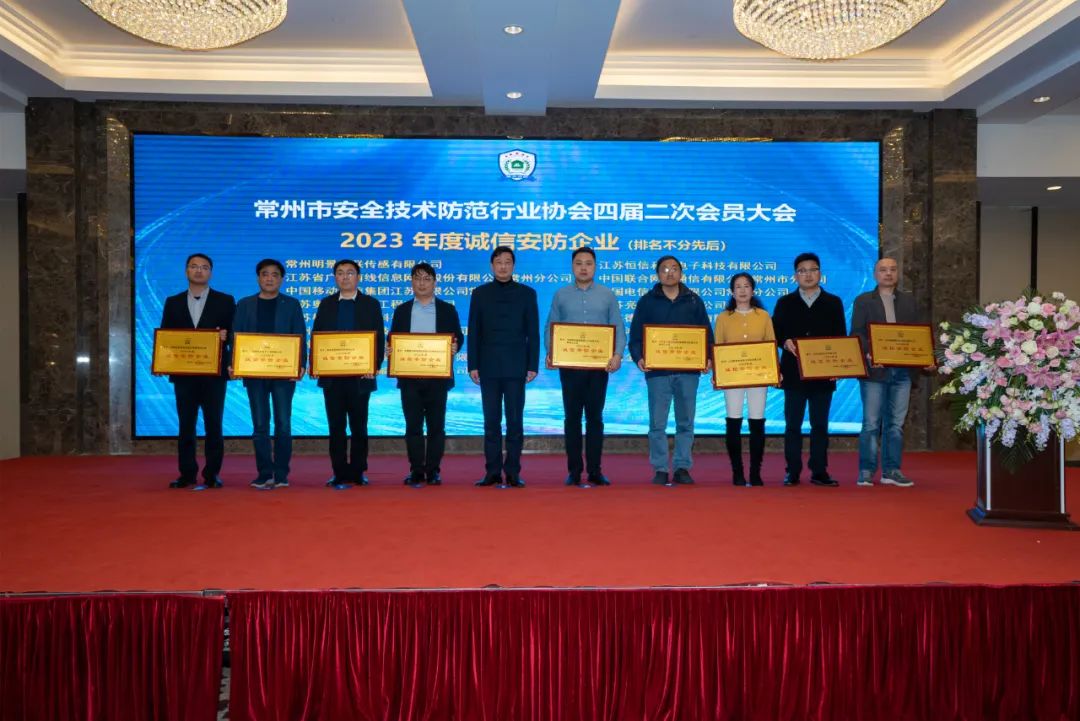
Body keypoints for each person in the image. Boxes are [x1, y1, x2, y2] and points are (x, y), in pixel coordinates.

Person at [628, 255, 714, 486]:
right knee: (657, 424)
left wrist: (708, 357)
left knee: (685, 422)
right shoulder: (647, 301)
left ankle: (682, 467)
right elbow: (635, 336)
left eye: (674, 268)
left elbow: (707, 334)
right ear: (658, 274)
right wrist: (639, 358)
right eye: (665, 269)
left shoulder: (693, 300)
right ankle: (660, 468)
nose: (670, 272)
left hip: (688, 373)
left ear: (681, 273)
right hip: (657, 373)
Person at [544, 247, 626, 487]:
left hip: (598, 368)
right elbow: (551, 327)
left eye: (588, 263)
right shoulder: (561, 295)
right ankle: (574, 470)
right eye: (579, 263)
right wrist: (552, 352)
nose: (583, 267)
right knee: (572, 419)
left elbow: (618, 327)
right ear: (572, 267)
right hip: (570, 368)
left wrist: (617, 355)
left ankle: (594, 470)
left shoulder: (607, 295)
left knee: (595, 419)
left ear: (595, 267)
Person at [851, 257, 930, 488]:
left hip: (903, 372)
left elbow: (918, 335)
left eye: (893, 269)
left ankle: (892, 470)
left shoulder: (909, 302)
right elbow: (857, 333)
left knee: (895, 424)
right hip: (874, 372)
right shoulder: (863, 300)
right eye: (883, 270)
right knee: (871, 424)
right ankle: (866, 471)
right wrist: (870, 352)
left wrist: (926, 358)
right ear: (875, 274)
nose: (888, 273)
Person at [160, 253, 235, 490]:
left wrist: (225, 337)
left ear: (210, 272)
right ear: (186, 271)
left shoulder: (225, 300)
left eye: (204, 267)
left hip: (214, 375)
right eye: (194, 266)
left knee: (214, 425)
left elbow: (234, 336)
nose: (199, 270)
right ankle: (187, 474)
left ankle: (212, 474)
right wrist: (162, 363)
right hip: (184, 375)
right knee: (186, 426)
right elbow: (166, 338)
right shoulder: (173, 302)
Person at [771, 252, 847, 487]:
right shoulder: (785, 302)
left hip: (823, 373)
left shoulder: (833, 302)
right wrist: (784, 342)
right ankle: (792, 471)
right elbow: (776, 332)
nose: (808, 275)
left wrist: (837, 366)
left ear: (820, 273)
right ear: (795, 276)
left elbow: (840, 337)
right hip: (793, 373)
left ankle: (819, 471)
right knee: (792, 425)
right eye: (802, 271)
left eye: (812, 270)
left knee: (820, 425)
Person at [230, 258, 307, 490]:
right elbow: (236, 336)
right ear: (258, 278)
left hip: (284, 374)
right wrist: (234, 363)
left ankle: (281, 474)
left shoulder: (291, 304)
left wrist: (300, 364)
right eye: (265, 274)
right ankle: (264, 473)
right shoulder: (244, 304)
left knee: (283, 424)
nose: (270, 278)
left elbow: (300, 335)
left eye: (275, 274)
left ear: (281, 279)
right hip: (254, 374)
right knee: (260, 425)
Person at [468, 246, 540, 488]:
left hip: (516, 367)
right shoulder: (479, 293)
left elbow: (533, 333)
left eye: (507, 262)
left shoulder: (527, 294)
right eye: (498, 262)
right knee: (491, 422)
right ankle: (492, 472)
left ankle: (513, 472)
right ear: (492, 266)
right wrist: (473, 364)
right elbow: (474, 331)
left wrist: (532, 365)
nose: (503, 266)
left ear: (513, 266)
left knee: (515, 422)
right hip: (488, 367)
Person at [311, 259, 385, 490]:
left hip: (361, 377)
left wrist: (373, 366)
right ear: (335, 278)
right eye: (340, 273)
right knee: (336, 427)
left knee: (359, 426)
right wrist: (315, 365)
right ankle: (339, 472)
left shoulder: (370, 304)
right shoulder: (326, 304)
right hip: (332, 378)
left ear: (358, 277)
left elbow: (379, 339)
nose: (345, 277)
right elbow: (317, 337)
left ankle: (358, 471)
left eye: (350, 273)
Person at [389, 262, 464, 487]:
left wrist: (455, 346)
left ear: (434, 283)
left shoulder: (447, 309)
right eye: (417, 278)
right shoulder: (402, 310)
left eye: (427, 279)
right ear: (411, 282)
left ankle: (432, 470)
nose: (422, 283)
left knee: (436, 427)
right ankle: (416, 470)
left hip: (437, 379)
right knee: (412, 426)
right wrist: (390, 348)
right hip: (409, 379)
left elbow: (458, 337)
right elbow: (392, 338)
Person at [714, 272, 776, 486]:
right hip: (732, 377)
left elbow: (771, 344)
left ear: (753, 290)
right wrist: (718, 374)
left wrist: (774, 370)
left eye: (746, 286)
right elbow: (718, 347)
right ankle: (737, 472)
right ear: (732, 291)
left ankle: (755, 472)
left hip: (758, 377)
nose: (742, 290)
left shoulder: (763, 316)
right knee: (733, 422)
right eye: (738, 286)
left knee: (757, 423)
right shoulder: (723, 317)